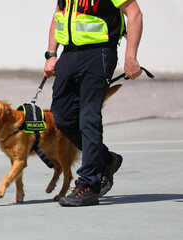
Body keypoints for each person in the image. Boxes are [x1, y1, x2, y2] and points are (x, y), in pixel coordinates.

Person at [44, 0, 143, 206]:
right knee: (61, 118)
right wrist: (51, 54)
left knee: (88, 117)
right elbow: (58, 15)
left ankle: (89, 184)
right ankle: (105, 160)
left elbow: (134, 14)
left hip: (98, 53)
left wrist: (130, 56)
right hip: (68, 54)